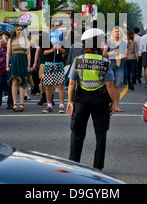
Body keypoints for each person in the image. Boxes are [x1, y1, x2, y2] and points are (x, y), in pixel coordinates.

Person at [67, 28, 116, 171]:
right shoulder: (104, 61)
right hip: (100, 101)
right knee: (101, 135)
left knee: (77, 133)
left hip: (81, 100)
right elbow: (109, 85)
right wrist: (113, 102)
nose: (103, 43)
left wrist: (70, 101)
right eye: (101, 41)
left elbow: (71, 83)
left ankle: (73, 165)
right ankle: (98, 168)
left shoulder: (78, 60)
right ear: (95, 43)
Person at [42, 22, 66, 114]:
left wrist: (59, 49)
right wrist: (52, 50)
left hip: (59, 63)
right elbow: (43, 52)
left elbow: (65, 51)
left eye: (58, 26)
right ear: (51, 27)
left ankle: (61, 106)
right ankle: (49, 105)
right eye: (55, 26)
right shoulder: (46, 37)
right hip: (49, 63)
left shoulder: (61, 37)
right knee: (48, 85)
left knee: (60, 85)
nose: (57, 27)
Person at [6, 24, 30, 112]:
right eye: (18, 30)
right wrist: (7, 65)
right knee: (14, 82)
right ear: (15, 31)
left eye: (21, 30)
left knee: (23, 81)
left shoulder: (26, 40)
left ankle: (21, 103)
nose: (19, 31)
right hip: (14, 61)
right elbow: (8, 53)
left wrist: (28, 65)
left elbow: (28, 53)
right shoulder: (11, 40)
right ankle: (15, 103)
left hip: (23, 61)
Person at [102, 26, 127, 112]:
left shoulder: (123, 43)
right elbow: (104, 53)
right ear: (113, 33)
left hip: (120, 64)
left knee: (117, 85)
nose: (117, 33)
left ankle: (116, 106)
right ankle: (109, 104)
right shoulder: (109, 41)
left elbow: (126, 54)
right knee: (110, 85)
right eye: (116, 31)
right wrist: (111, 53)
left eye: (118, 31)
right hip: (110, 63)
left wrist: (122, 55)